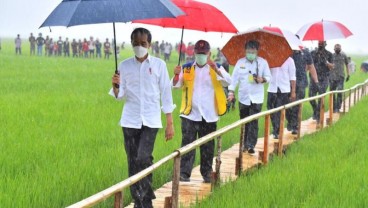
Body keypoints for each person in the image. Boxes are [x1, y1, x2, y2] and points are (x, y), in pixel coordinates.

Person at [110, 27, 175, 208]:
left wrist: (169, 122)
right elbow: (120, 96)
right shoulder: (124, 66)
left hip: (151, 120)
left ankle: (145, 198)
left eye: (143, 43)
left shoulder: (159, 65)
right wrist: (115, 86)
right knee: (132, 162)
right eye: (136, 44)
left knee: (144, 158)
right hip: (130, 121)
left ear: (150, 44)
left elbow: (166, 94)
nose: (140, 47)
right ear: (132, 44)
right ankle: (141, 201)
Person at [173, 40, 231, 183]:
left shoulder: (217, 67)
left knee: (207, 146)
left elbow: (228, 81)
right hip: (190, 113)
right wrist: (175, 75)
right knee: (188, 144)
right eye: (198, 53)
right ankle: (184, 173)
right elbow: (175, 85)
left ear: (209, 53)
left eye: (203, 53)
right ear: (194, 53)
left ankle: (206, 173)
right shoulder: (186, 68)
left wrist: (216, 70)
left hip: (209, 114)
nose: (201, 56)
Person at [228, 40, 271, 153]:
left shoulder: (263, 63)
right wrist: (231, 92)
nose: (250, 54)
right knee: (244, 121)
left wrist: (262, 79)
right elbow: (234, 79)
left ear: (257, 51)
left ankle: (251, 145)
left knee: (253, 121)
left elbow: (268, 77)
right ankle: (243, 144)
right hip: (244, 97)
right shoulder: (240, 63)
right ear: (245, 51)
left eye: (252, 51)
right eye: (248, 51)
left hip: (257, 97)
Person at [286, 45, 319, 135]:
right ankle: (290, 121)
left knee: (297, 104)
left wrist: (316, 81)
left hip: (301, 82)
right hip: (287, 82)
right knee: (286, 104)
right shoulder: (286, 52)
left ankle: (295, 126)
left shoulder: (305, 52)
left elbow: (311, 67)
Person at [267, 57, 296, 139]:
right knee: (270, 109)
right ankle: (276, 127)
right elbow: (267, 73)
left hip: (283, 89)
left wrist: (293, 91)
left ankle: (277, 131)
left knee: (279, 110)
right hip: (272, 88)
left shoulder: (290, 60)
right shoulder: (271, 58)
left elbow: (292, 77)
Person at [309, 41, 334, 122]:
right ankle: (315, 111)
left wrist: (326, 61)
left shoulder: (329, 54)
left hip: (324, 78)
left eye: (322, 43)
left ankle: (319, 115)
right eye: (319, 43)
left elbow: (332, 67)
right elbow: (308, 65)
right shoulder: (312, 53)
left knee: (321, 96)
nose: (320, 45)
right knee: (311, 97)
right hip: (313, 78)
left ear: (325, 44)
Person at [330, 44, 349, 113]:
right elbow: (329, 65)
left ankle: (338, 106)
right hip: (332, 77)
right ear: (334, 49)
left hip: (341, 76)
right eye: (336, 48)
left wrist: (348, 74)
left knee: (339, 90)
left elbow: (347, 64)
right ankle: (333, 106)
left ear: (340, 49)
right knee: (332, 92)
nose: (337, 49)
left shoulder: (344, 55)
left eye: (339, 48)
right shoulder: (331, 56)